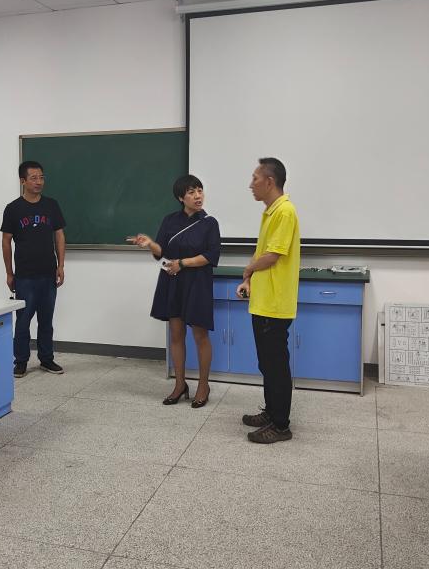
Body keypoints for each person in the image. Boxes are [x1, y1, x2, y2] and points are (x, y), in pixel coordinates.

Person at [127, 174, 221, 408]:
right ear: (181, 197)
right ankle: (180, 384)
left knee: (200, 335)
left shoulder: (209, 223)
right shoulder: (170, 220)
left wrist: (182, 263)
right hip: (173, 282)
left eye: (200, 190)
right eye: (191, 192)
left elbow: (211, 255)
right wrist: (150, 244)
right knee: (176, 334)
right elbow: (161, 252)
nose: (197, 196)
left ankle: (203, 386)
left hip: (197, 282)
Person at [236, 158, 300, 443]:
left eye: (255, 178)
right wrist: (249, 279)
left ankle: (281, 426)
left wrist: (248, 269)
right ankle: (271, 412)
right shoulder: (270, 211)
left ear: (269, 182)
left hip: (275, 303)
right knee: (267, 363)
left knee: (276, 365)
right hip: (264, 300)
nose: (251, 184)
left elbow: (272, 256)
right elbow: (264, 253)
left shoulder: (284, 211)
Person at [1, 161, 66, 377]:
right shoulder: (13, 209)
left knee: (46, 321)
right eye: (34, 178)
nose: (39, 182)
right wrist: (9, 272)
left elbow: (59, 235)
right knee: (23, 321)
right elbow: (6, 241)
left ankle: (47, 359)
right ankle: (20, 361)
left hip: (48, 273)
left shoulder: (51, 205)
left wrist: (61, 265)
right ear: (23, 181)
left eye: (41, 177)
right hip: (25, 276)